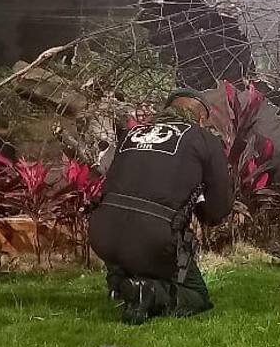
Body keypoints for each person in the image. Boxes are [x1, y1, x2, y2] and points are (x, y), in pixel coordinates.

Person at [88, 88, 233, 325]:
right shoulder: (203, 138)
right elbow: (218, 208)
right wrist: (203, 212)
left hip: (101, 233)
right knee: (196, 295)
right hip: (153, 238)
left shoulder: (132, 134)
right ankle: (149, 291)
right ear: (200, 119)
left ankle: (121, 283)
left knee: (133, 236)